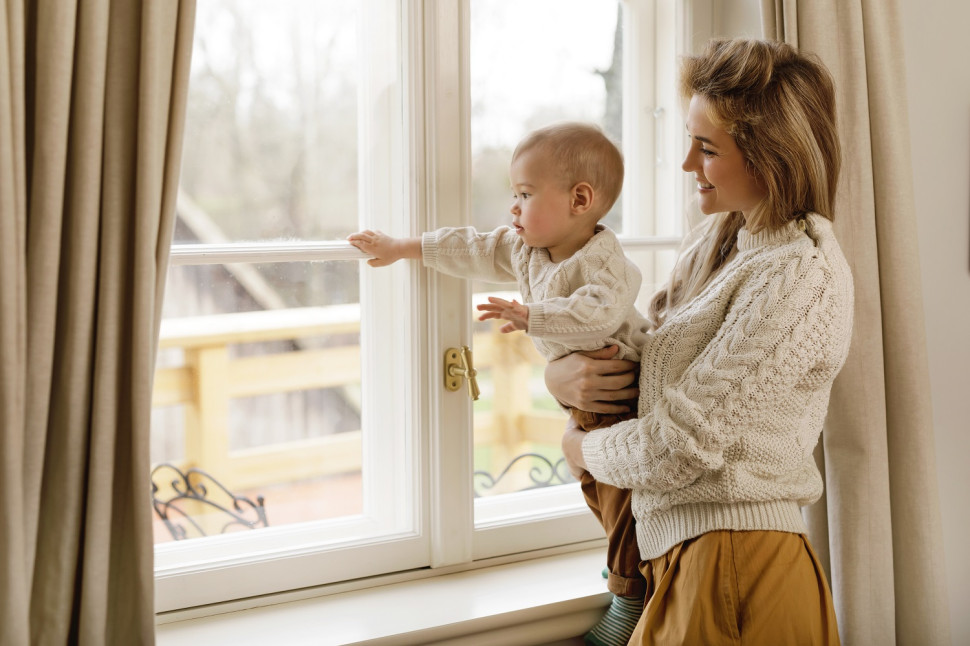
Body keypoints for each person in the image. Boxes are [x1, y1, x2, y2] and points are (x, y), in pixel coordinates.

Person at [549, 38, 852, 644]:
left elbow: (675, 450)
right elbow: (644, 362)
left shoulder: (800, 275)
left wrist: (580, 450)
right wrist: (559, 377)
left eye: (708, 148)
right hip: (691, 562)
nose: (688, 164)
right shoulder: (718, 241)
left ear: (772, 156)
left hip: (738, 571)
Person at [348, 122, 651, 645]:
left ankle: (630, 595)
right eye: (514, 193)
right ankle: (624, 568)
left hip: (624, 398)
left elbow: (597, 316)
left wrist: (531, 316)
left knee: (624, 497)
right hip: (584, 401)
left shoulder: (608, 264)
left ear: (580, 199)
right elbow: (472, 248)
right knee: (594, 489)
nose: (513, 207)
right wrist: (403, 246)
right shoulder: (527, 249)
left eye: (526, 194)